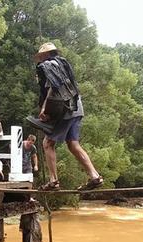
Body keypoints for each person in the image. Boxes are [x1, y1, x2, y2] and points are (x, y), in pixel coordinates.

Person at [32, 42, 103, 191]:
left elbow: (54, 88)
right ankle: (94, 176)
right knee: (73, 144)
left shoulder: (49, 65)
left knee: (47, 143)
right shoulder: (63, 64)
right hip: (77, 108)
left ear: (45, 54)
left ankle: (53, 181)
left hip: (65, 109)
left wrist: (45, 108)